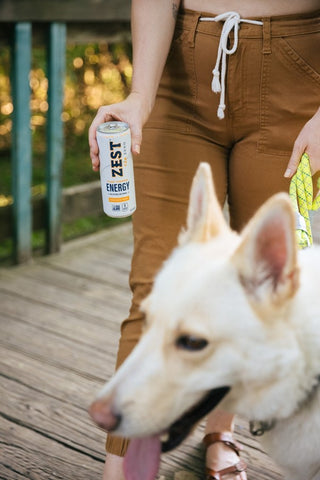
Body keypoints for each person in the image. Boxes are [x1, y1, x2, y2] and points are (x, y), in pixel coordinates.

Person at [89, 1, 320, 479]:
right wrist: (139, 97)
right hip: (179, 76)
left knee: (266, 295)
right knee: (157, 285)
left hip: (298, 80)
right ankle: (123, 472)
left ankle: (221, 432)